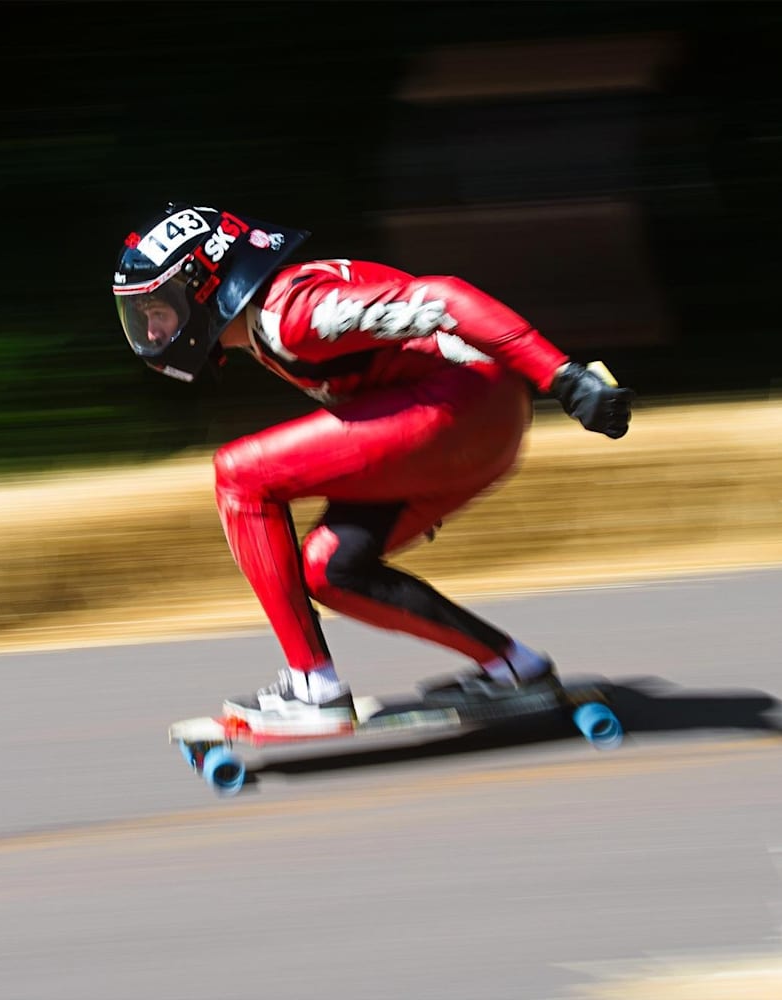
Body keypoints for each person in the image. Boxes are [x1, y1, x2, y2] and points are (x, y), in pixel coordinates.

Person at [113, 202, 633, 736]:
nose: (152, 332)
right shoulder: (269, 321)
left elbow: (445, 296)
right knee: (331, 569)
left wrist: (564, 378)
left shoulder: (292, 314)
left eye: (158, 309)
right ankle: (514, 666)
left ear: (203, 285)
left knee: (240, 474)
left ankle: (312, 686)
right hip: (469, 420)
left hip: (463, 410)